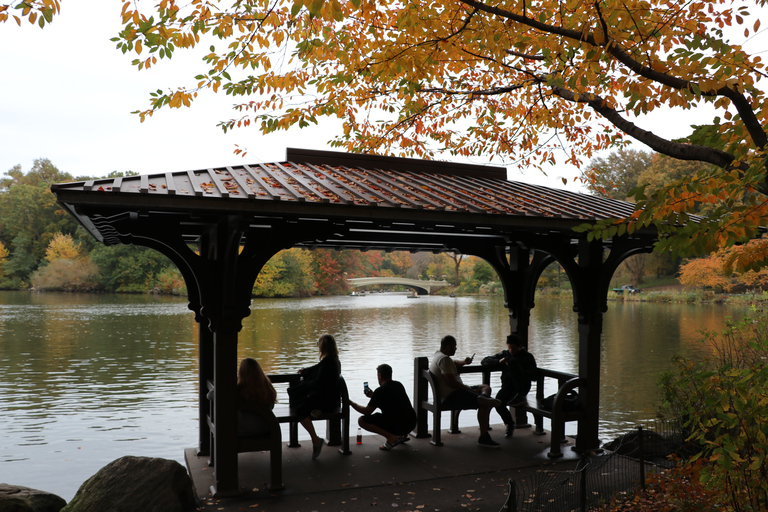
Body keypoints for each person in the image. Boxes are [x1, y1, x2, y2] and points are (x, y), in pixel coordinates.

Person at [430, 335, 502, 448]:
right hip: (452, 395)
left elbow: (453, 363)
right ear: (448, 347)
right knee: (483, 403)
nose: (456, 348)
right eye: (454, 346)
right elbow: (451, 383)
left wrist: (464, 362)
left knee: (485, 387)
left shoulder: (438, 356)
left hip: (452, 393)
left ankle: (483, 397)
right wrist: (468, 389)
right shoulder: (444, 359)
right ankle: (483, 437)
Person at [288, 333, 342, 459]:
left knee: (300, 410)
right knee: (301, 404)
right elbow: (317, 368)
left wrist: (305, 383)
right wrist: (307, 370)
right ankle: (316, 412)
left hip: (326, 401)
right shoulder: (334, 361)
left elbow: (318, 382)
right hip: (331, 399)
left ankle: (316, 440)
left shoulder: (328, 362)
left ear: (323, 347)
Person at [481, 333, 538, 437]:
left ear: (519, 346)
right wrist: (499, 361)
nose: (511, 350)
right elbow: (484, 361)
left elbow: (534, 376)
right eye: (509, 348)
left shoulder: (527, 357)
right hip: (508, 387)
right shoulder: (506, 354)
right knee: (498, 402)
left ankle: (520, 396)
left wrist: (519, 368)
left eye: (513, 348)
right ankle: (510, 424)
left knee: (513, 362)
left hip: (522, 387)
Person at [350, 364, 418, 451]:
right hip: (411, 423)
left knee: (362, 420)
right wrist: (373, 395)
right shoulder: (398, 385)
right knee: (399, 411)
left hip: (399, 426)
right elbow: (391, 400)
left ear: (380, 376)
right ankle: (402, 435)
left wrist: (352, 403)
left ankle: (391, 437)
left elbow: (367, 411)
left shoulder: (380, 391)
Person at [235, 357, 278, 436]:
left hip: (242, 430)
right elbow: (271, 406)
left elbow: (209, 396)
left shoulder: (238, 389)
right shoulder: (268, 387)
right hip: (266, 427)